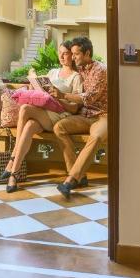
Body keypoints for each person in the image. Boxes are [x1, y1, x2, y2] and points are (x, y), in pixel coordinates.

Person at [0, 40, 83, 193]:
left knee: (25, 109)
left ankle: (12, 158)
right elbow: (39, 94)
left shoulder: (76, 77)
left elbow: (74, 108)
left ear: (72, 55)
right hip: (43, 112)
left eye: (65, 53)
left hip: (59, 115)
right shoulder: (52, 72)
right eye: (60, 53)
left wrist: (58, 97)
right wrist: (33, 81)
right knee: (29, 126)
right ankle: (14, 175)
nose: (61, 56)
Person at [52, 36, 107, 199]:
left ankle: (71, 180)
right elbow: (65, 69)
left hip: (103, 116)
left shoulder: (101, 70)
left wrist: (63, 95)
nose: (73, 57)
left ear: (87, 53)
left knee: (96, 137)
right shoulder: (80, 69)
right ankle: (79, 176)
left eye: (76, 54)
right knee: (59, 127)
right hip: (85, 116)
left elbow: (89, 98)